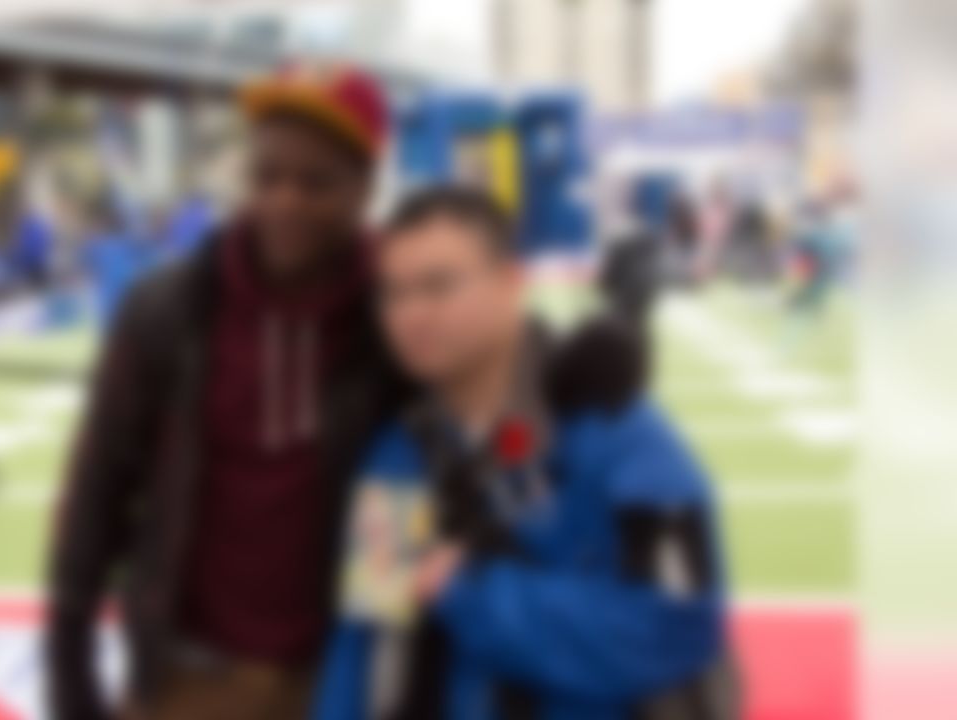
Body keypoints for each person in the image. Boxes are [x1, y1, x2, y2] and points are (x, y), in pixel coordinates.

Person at [44, 63, 409, 720]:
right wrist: (68, 661)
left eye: (314, 182)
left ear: (365, 189)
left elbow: (478, 381)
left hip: (337, 681)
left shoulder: (396, 318)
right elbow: (98, 485)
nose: (283, 201)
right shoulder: (166, 309)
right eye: (266, 177)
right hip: (187, 676)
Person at [313, 187, 732, 720]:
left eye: (438, 286)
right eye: (393, 294)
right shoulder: (398, 453)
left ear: (511, 282)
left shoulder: (622, 434)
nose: (410, 314)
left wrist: (472, 594)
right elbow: (364, 643)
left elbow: (679, 628)